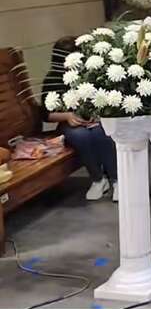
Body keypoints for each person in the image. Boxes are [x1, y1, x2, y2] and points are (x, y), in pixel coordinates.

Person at [41, 37, 118, 201]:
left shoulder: (91, 75)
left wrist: (97, 115)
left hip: (95, 120)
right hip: (69, 123)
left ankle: (116, 180)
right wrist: (68, 116)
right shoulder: (52, 79)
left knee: (101, 133)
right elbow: (46, 115)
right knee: (80, 136)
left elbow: (105, 101)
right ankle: (98, 180)